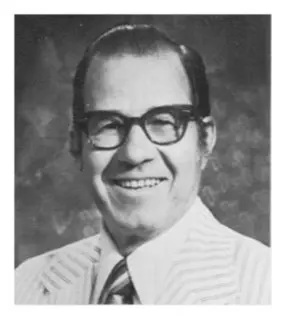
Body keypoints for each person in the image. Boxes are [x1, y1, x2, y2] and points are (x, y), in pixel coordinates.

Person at [15, 24, 270, 305]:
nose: (135, 153)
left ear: (206, 139)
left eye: (163, 122)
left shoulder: (267, 286)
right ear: (76, 145)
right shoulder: (24, 285)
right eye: (109, 125)